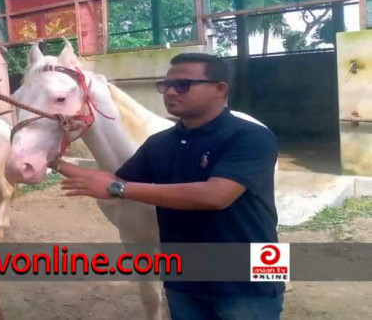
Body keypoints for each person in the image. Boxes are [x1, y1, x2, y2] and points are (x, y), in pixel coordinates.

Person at [55, 53, 284, 319]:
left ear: (220, 89)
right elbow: (113, 181)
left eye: (183, 85)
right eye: (166, 86)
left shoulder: (251, 136)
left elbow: (216, 195)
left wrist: (118, 189)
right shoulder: (160, 143)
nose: (171, 92)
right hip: (183, 279)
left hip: (247, 282)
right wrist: (49, 160)